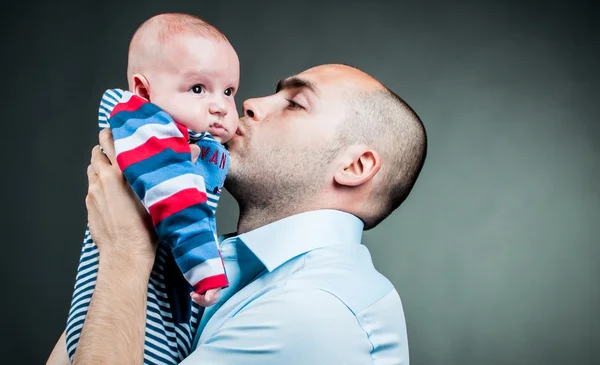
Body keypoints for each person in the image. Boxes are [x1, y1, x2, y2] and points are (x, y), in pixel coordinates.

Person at [47, 63, 427, 365]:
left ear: (356, 166)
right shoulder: (217, 264)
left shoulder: (315, 311)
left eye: (295, 104)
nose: (250, 103)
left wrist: (124, 252)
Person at [63, 13, 240, 364]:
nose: (220, 105)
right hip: (134, 319)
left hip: (155, 307)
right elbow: (177, 204)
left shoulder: (182, 138)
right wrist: (205, 270)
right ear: (144, 91)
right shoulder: (146, 127)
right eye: (198, 88)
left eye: (229, 91)